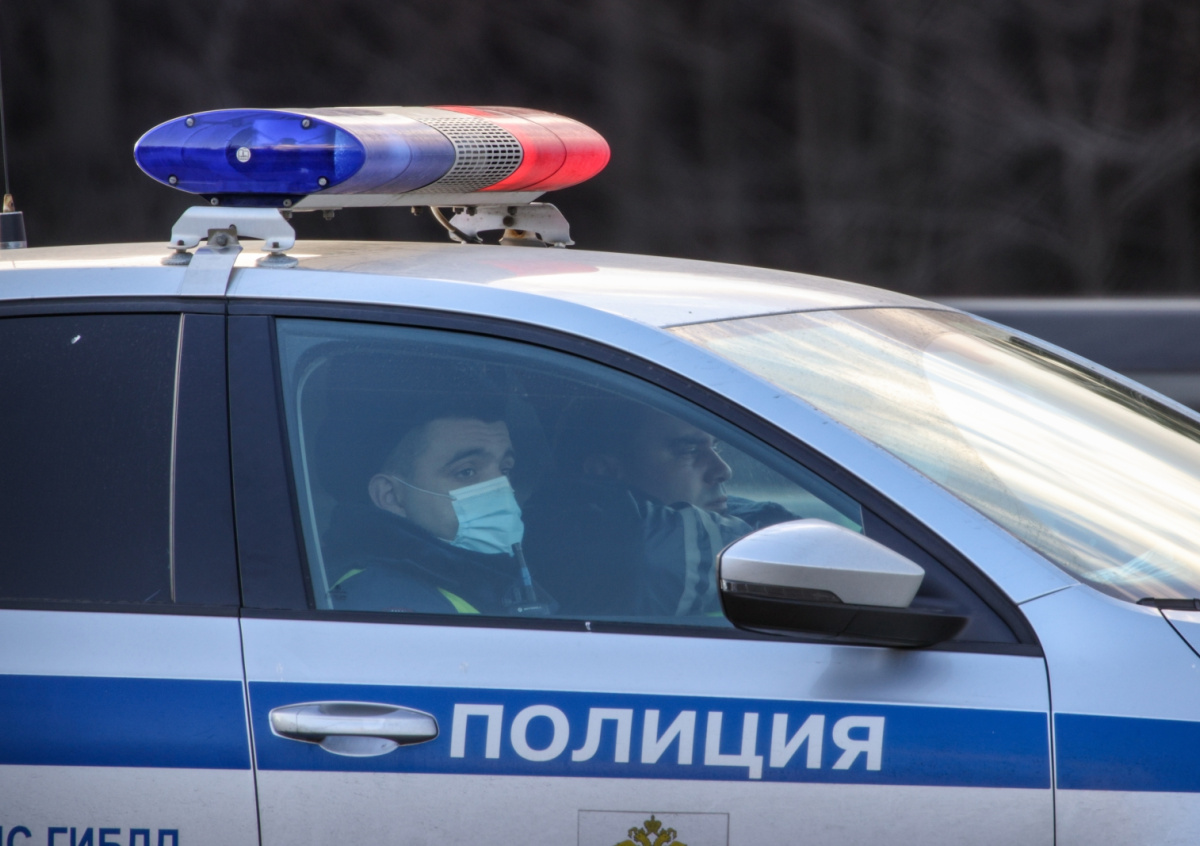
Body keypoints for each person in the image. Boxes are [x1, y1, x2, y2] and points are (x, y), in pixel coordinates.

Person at [522, 397, 794, 618]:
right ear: (604, 472)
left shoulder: (696, 514)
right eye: (688, 450)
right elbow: (653, 551)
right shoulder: (606, 544)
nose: (723, 470)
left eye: (715, 448)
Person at [319, 386, 552, 615]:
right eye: (467, 472)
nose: (502, 490)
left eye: (505, 470)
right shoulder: (387, 600)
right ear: (391, 496)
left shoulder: (483, 580)